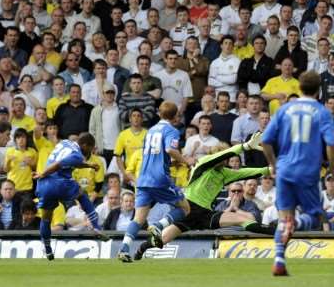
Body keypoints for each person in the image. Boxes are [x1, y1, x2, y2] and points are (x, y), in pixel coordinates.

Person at [133, 136, 275, 260]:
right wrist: (244, 146)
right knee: (162, 239)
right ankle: (142, 248)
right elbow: (224, 154)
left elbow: (245, 173)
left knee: (244, 220)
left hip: (205, 214)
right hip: (188, 207)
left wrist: (267, 170)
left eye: (226, 158)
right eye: (223, 157)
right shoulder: (203, 164)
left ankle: (279, 233)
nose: (224, 160)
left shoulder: (224, 173)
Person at [261, 70, 334, 275]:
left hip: (285, 170)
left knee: (283, 217)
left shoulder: (284, 109)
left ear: (300, 88)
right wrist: (332, 168)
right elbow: (331, 144)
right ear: (319, 89)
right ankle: (296, 223)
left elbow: (265, 141)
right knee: (315, 216)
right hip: (307, 172)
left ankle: (279, 259)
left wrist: (274, 164)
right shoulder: (322, 112)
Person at [117, 101, 194, 262]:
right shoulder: (171, 130)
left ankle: (124, 249)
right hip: (160, 178)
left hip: (143, 179)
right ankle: (158, 226)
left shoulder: (150, 131)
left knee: (138, 218)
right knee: (185, 208)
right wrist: (186, 161)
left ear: (159, 114)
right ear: (175, 117)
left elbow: (157, 156)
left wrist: (174, 161)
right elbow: (170, 150)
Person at [33, 133, 109, 260]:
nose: (90, 152)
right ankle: (96, 226)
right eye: (90, 149)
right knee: (82, 195)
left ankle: (47, 249)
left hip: (44, 185)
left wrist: (89, 165)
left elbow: (72, 162)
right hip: (59, 181)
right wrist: (42, 173)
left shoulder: (64, 142)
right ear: (85, 145)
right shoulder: (77, 154)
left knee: (46, 218)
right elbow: (59, 164)